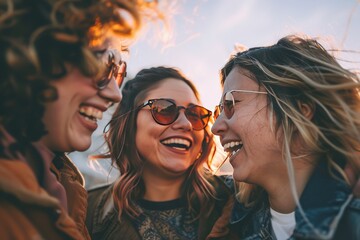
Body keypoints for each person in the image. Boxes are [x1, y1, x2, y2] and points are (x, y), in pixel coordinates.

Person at [0, 0, 160, 239]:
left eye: (117, 72)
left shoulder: (64, 189)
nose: (115, 94)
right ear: (29, 50)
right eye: (101, 63)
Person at [210, 35, 360, 239]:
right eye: (218, 110)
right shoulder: (230, 215)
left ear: (299, 110)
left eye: (231, 104)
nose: (216, 126)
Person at [86, 66, 235, 240]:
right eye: (164, 110)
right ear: (129, 125)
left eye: (194, 114)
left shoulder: (238, 202)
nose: (186, 124)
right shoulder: (85, 212)